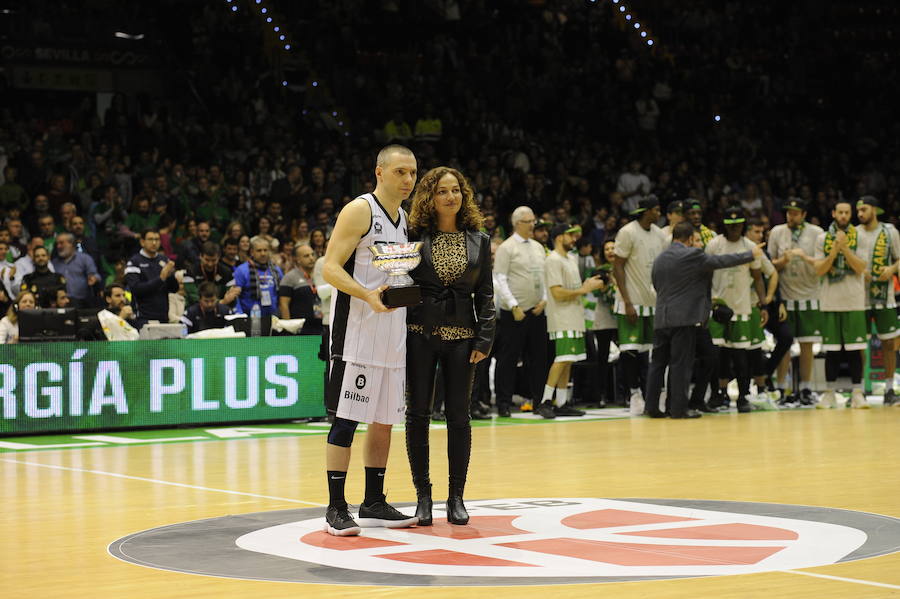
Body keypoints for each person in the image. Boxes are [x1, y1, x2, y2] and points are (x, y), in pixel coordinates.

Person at [321, 144, 419, 536]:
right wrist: (367, 296)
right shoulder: (360, 209)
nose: (408, 180)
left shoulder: (405, 218)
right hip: (356, 334)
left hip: (391, 336)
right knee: (345, 421)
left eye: (412, 172)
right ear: (379, 172)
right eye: (400, 172)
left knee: (384, 421)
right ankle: (335, 507)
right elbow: (330, 267)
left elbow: (394, 274)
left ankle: (374, 502)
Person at [404, 166, 495, 526]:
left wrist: (484, 339)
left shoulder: (480, 239)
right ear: (430, 197)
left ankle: (456, 496)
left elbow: (486, 295)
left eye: (456, 190)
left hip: (464, 338)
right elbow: (400, 282)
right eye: (442, 191)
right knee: (418, 416)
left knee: (459, 417)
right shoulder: (414, 235)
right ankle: (422, 496)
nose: (450, 197)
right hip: (419, 334)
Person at [646, 222, 764, 418]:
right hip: (683, 320)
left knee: (658, 363)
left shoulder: (660, 259)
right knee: (680, 364)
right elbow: (721, 261)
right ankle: (678, 409)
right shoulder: (692, 255)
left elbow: (657, 286)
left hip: (661, 318)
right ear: (690, 238)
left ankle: (651, 407)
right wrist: (750, 255)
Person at [538, 224, 605, 418]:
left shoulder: (571, 259)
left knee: (569, 361)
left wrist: (588, 286)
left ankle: (561, 402)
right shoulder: (553, 260)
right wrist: (583, 290)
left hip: (575, 316)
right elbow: (557, 292)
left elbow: (574, 289)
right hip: (562, 317)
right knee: (562, 359)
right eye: (570, 235)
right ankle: (545, 401)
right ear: (559, 237)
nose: (574, 238)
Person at [706, 207, 767, 413]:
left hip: (742, 309)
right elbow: (705, 277)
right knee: (715, 356)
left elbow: (758, 278)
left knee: (741, 358)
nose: (734, 228)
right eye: (730, 225)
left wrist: (763, 304)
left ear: (743, 225)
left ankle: (743, 397)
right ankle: (717, 395)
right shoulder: (714, 244)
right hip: (718, 308)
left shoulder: (750, 246)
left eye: (738, 224)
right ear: (724, 224)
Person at [612, 196, 668, 414]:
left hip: (653, 302)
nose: (659, 212)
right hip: (631, 301)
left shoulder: (660, 234)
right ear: (646, 211)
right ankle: (634, 394)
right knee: (630, 352)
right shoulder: (627, 232)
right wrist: (627, 302)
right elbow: (617, 268)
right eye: (656, 209)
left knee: (653, 353)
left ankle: (654, 395)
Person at [767, 198, 825, 405]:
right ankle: (782, 388)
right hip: (786, 297)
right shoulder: (776, 232)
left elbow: (824, 264)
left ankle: (806, 388)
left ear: (804, 214)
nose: (791, 216)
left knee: (807, 344)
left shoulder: (817, 233)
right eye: (788, 212)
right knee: (784, 345)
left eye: (795, 212)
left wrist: (805, 257)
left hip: (810, 295)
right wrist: (782, 261)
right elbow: (768, 265)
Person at [812, 201, 869, 408]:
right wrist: (835, 249)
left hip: (854, 300)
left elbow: (861, 267)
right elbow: (819, 270)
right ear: (834, 214)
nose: (843, 216)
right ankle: (829, 393)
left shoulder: (860, 236)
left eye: (847, 212)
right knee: (832, 350)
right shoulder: (822, 238)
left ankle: (857, 392)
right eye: (840, 212)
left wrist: (845, 248)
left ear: (850, 214)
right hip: (829, 300)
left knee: (855, 349)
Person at [493, 206, 549, 417]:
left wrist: (544, 300)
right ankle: (503, 402)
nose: (533, 224)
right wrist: (513, 304)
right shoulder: (507, 247)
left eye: (534, 221)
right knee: (508, 358)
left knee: (538, 358)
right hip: (515, 312)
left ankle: (538, 400)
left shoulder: (537, 247)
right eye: (530, 221)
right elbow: (500, 278)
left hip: (537, 310)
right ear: (518, 223)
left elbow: (544, 276)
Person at [855, 196, 900, 406]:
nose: (860, 214)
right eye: (858, 211)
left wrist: (891, 269)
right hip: (859, 297)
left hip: (885, 296)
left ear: (874, 209)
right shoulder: (853, 233)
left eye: (864, 209)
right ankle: (861, 388)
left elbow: (898, 258)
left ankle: (889, 388)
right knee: (859, 344)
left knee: (889, 342)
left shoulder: (890, 231)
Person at [124, 228, 180, 327]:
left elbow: (174, 289)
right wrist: (161, 278)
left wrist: (171, 276)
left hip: (163, 317)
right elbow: (136, 289)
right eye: (150, 239)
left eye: (157, 239)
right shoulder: (134, 262)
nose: (154, 243)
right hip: (143, 318)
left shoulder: (164, 260)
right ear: (142, 242)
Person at [278, 243, 323, 335]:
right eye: (306, 256)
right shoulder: (289, 277)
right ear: (297, 260)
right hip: (300, 329)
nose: (311, 258)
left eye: (312, 254)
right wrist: (289, 329)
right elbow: (284, 305)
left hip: (321, 325)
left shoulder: (321, 275)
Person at [232, 238, 284, 317]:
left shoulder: (276, 270)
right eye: (259, 250)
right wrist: (240, 315)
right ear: (252, 252)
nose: (263, 253)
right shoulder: (242, 270)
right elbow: (235, 296)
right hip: (250, 316)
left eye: (265, 250)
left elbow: (281, 294)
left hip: (273, 316)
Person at [51, 232, 100, 308]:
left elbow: (95, 275)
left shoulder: (85, 259)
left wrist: (93, 278)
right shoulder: (54, 263)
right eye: (57, 244)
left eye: (61, 243)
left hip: (82, 302)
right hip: (61, 303)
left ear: (71, 244)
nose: (58, 246)